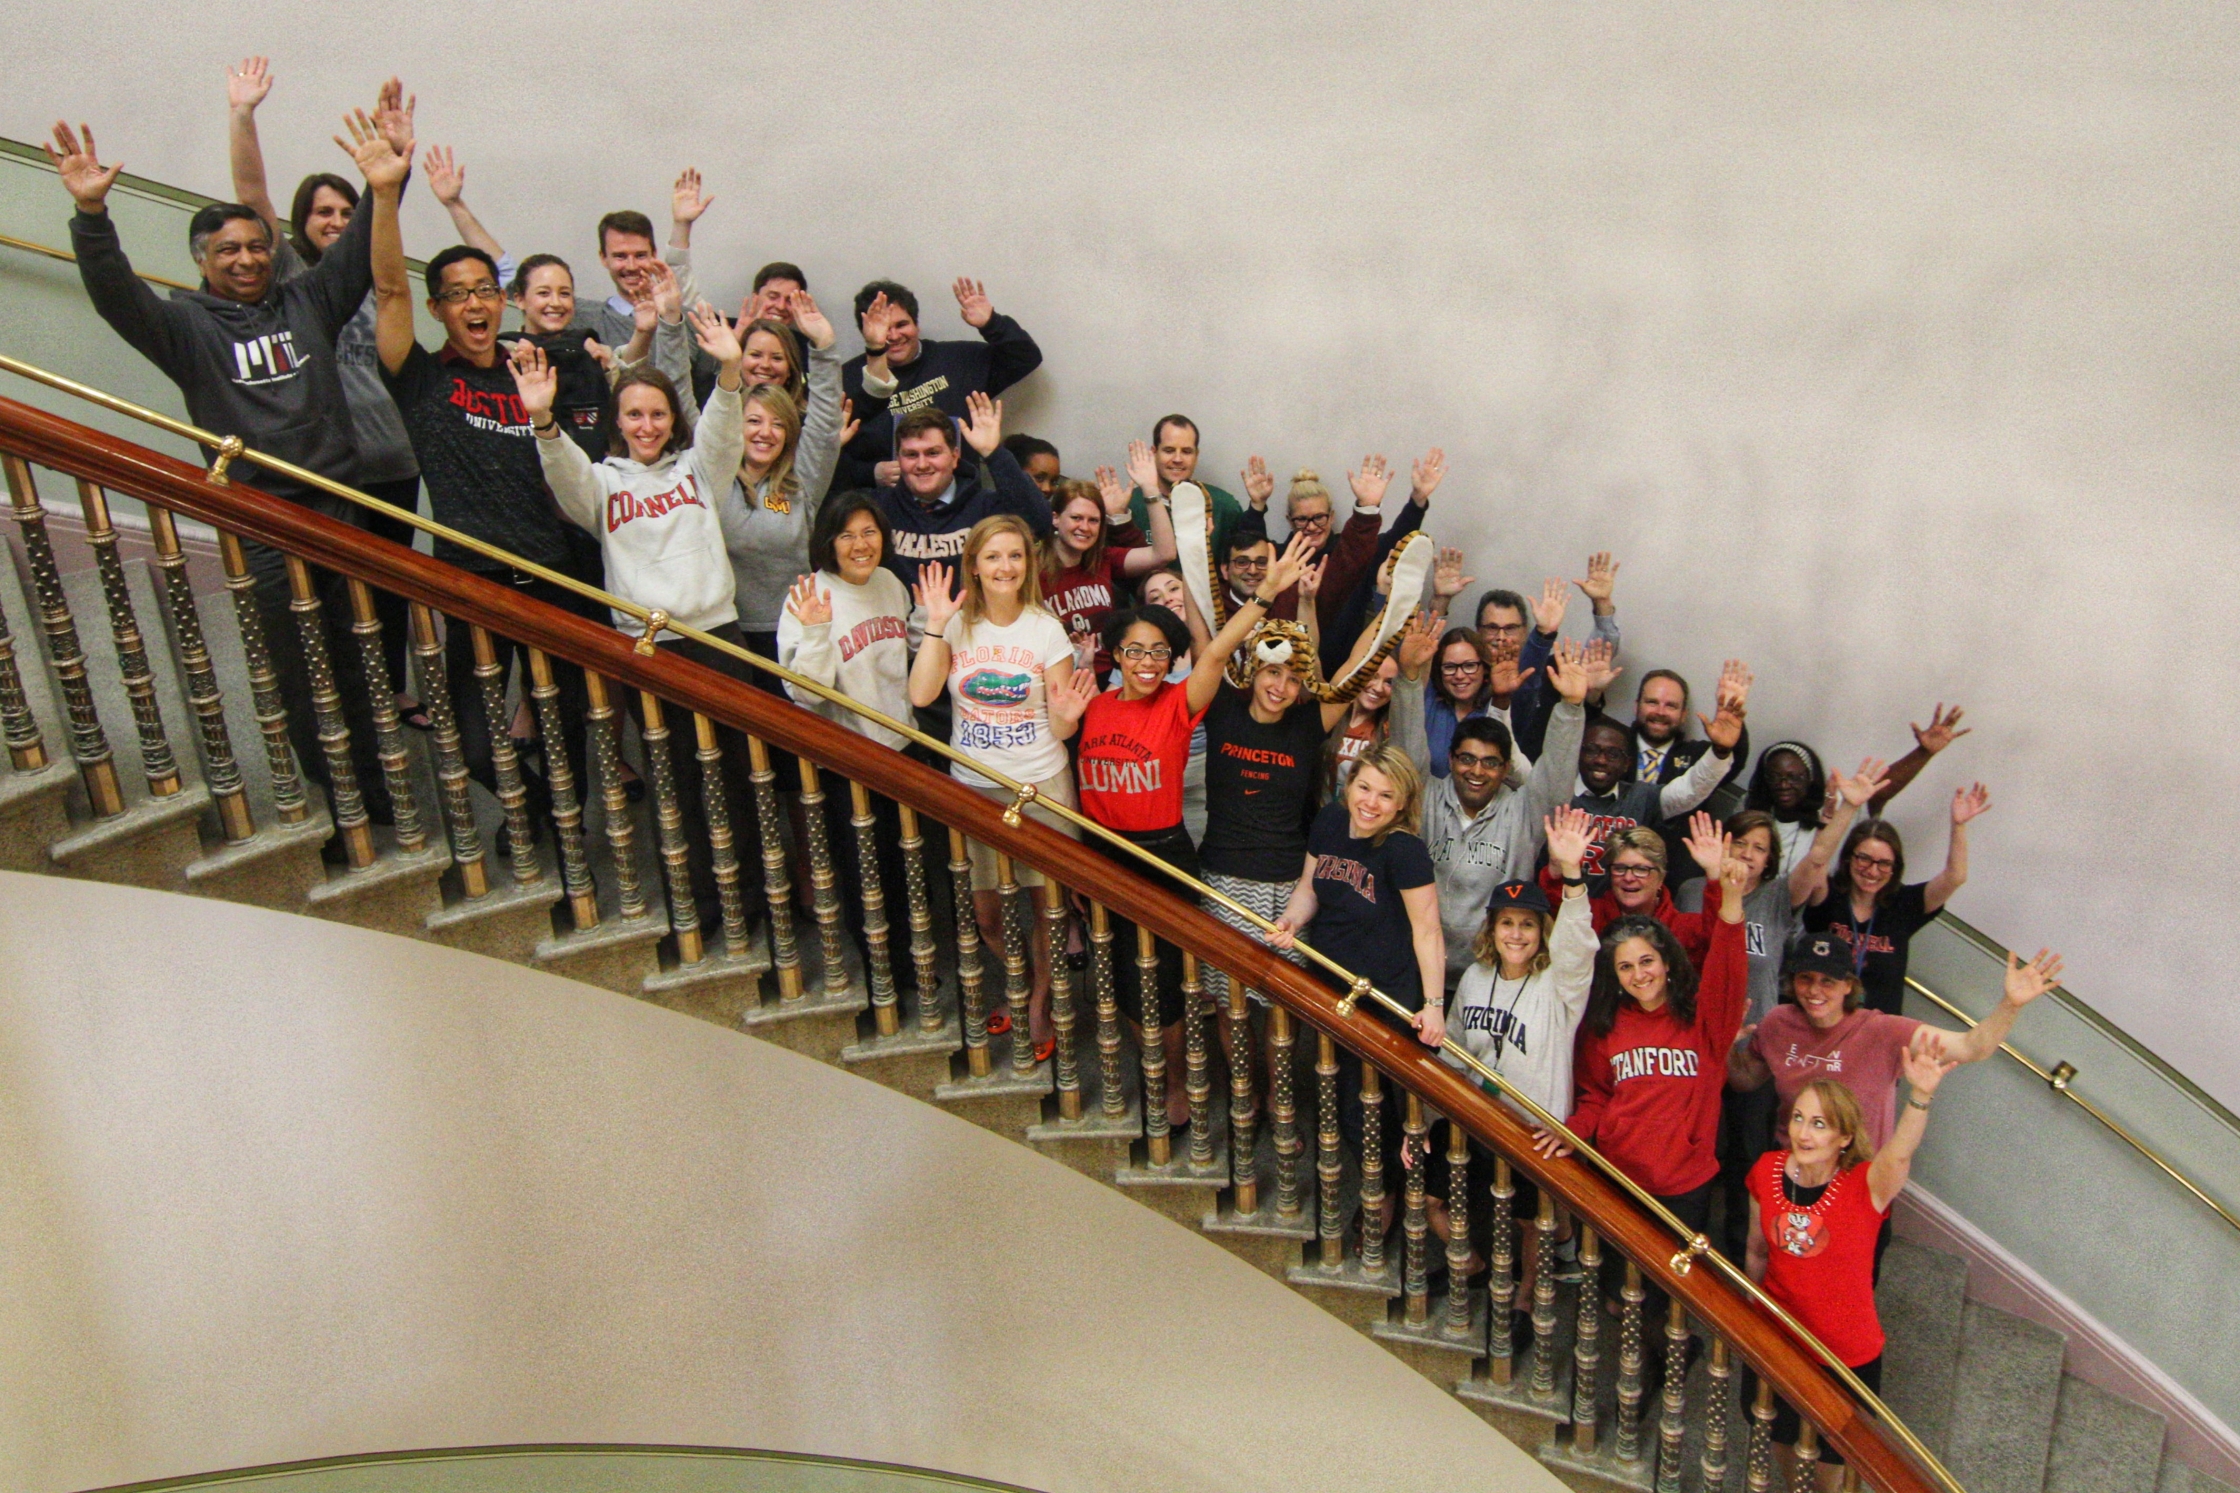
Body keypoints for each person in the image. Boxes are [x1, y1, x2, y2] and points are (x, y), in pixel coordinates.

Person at [53, 104, 405, 832]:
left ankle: (385, 802)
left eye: (256, 245)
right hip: (262, 527)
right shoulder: (186, 328)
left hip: (343, 512)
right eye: (228, 250)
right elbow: (117, 295)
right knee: (302, 681)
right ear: (202, 261)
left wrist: (383, 187)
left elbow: (353, 252)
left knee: (362, 670)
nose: (246, 259)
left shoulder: (307, 299)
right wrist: (91, 213)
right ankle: (345, 816)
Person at [224, 60, 509, 717]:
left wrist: (398, 164)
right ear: (302, 223)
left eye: (344, 210)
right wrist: (243, 115)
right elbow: (251, 196)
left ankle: (391, 687)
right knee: (328, 590)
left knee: (387, 588)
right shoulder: (297, 279)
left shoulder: (369, 271)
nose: (334, 219)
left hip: (396, 464)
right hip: (333, 470)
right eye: (322, 211)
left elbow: (382, 233)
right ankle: (339, 691)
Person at [512, 303, 753, 930]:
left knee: (736, 782)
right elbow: (565, 476)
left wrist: (729, 374)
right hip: (649, 652)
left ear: (673, 419)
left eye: (657, 413)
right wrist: (542, 417)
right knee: (675, 791)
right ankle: (696, 909)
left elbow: (724, 433)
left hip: (718, 639)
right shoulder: (601, 483)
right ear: (618, 423)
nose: (647, 425)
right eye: (634, 415)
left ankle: (750, 906)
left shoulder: (700, 470)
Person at [1062, 536, 1317, 1126]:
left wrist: (1266, 596)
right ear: (1116, 655)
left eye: (1158, 652)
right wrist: (1077, 858)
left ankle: (1179, 1079)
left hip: (1166, 855)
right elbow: (1069, 776)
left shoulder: (1179, 702)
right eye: (1134, 651)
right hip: (1103, 855)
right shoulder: (1093, 707)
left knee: (1174, 981)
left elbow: (1214, 654)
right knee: (1125, 978)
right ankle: (1158, 1073)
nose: (1147, 662)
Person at [1744, 1040, 1959, 1487]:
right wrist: (1748, 1313)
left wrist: (1920, 1097)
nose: (1804, 1133)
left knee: (1831, 1463)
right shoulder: (1767, 1170)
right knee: (1781, 1441)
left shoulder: (1866, 1186)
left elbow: (1898, 1153)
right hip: (1780, 1341)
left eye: (1820, 1124)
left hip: (1843, 1354)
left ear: (1844, 1138)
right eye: (1800, 1118)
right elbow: (1757, 1251)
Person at [908, 515, 1082, 1058]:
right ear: (975, 567)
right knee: (986, 913)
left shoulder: (1045, 629)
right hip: (975, 788)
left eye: (1015, 556)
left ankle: (1037, 1002)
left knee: (1048, 908)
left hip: (1041, 787)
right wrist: (936, 624)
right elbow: (921, 695)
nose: (1005, 567)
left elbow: (1058, 723)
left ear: (1028, 565)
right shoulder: (955, 625)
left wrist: (1070, 719)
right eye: (993, 557)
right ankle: (1020, 979)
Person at [1443, 804, 1600, 1321]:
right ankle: (1478, 1266)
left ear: (1542, 929)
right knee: (1431, 1192)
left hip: (1534, 1128)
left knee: (1534, 1222)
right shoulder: (1473, 978)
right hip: (1481, 1118)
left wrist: (1572, 877)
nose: (1516, 934)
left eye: (1527, 925)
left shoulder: (1560, 983)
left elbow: (1578, 946)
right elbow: (1454, 1051)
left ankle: (1529, 1293)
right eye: (1506, 923)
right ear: (1492, 928)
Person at [1392, 619, 1599, 981]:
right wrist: (1409, 678)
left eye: (1491, 763)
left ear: (1505, 769)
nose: (1477, 771)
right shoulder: (1427, 795)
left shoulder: (1524, 811)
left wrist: (1570, 706)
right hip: (1418, 964)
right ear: (1452, 760)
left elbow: (1555, 776)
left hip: (1491, 974)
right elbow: (1407, 747)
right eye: (1467, 759)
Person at [1566, 843, 1751, 1236]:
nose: (1639, 975)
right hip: (1617, 1176)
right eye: (1625, 967)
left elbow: (1728, 970)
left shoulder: (1706, 1022)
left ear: (1667, 962)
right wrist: (1570, 1132)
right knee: (1614, 1288)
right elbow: (1596, 1095)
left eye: (1647, 961)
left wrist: (1730, 902)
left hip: (1684, 1181)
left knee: (1669, 1289)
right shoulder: (1604, 1026)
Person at [778, 492, 918, 962]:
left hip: (901, 748)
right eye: (847, 535)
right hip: (848, 761)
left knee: (907, 866)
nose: (860, 545)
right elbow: (805, 694)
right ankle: (886, 972)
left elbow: (912, 645)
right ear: (828, 542)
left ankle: (913, 962)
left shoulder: (890, 582)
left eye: (869, 532)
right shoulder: (808, 596)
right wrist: (816, 632)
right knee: (866, 875)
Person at [1265, 743, 1446, 1046]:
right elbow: (1310, 886)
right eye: (1364, 788)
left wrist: (1434, 1006)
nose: (1371, 803)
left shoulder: (1406, 851)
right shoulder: (1330, 820)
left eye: (1386, 795)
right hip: (1331, 979)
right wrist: (1291, 920)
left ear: (1402, 803)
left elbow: (1428, 931)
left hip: (1384, 993)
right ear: (1349, 786)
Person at [717, 289, 844, 665]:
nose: (764, 432)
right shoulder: (711, 474)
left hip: (792, 629)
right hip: (722, 630)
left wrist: (824, 346)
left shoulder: (801, 481)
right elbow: (679, 392)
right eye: (753, 421)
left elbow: (823, 422)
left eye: (776, 424)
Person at [1800, 784, 1991, 1016]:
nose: (1872, 871)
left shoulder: (1904, 904)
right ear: (1849, 858)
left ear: (1895, 868)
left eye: (1884, 863)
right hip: (1816, 1022)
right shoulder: (1828, 893)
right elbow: (1816, 860)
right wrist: (1839, 812)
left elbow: (1955, 877)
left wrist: (1958, 826)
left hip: (1876, 1034)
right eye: (1864, 859)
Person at [839, 278, 1043, 491]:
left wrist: (991, 323)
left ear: (916, 324)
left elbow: (1025, 358)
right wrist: (870, 473)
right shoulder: (848, 380)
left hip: (962, 501)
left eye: (902, 325)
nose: (894, 336)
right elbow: (824, 454)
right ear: (866, 331)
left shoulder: (958, 360)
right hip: (884, 506)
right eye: (883, 329)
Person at [1569, 660, 1750, 886]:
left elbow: (1721, 768)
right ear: (1636, 706)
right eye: (1652, 702)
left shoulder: (1699, 754)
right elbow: (1582, 736)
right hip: (1603, 876)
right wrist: (1592, 697)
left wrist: (1724, 745)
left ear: (1684, 714)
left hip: (1673, 880)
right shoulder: (1613, 744)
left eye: (1671, 705)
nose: (1660, 712)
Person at [1743, 703, 1967, 874]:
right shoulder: (1748, 808)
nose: (1783, 785)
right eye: (1774, 777)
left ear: (1811, 778)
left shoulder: (1832, 807)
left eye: (1794, 777)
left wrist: (1923, 753)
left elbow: (1878, 791)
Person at [874, 397, 1054, 599]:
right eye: (911, 455)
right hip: (899, 627)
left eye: (933, 453)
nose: (922, 464)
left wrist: (994, 453)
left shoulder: (984, 507)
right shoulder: (878, 509)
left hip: (970, 624)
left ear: (954, 456)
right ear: (898, 458)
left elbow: (1038, 523)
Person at [1041, 452, 1175, 677]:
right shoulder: (1032, 568)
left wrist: (1151, 490)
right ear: (1056, 518)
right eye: (1076, 518)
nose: (1085, 527)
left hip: (1113, 675)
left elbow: (1165, 553)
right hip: (1062, 677)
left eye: (1093, 520)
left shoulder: (1104, 559)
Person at [1123, 415, 1249, 570]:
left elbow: (1242, 565)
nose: (1177, 459)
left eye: (1186, 451)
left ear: (1196, 455)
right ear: (1154, 453)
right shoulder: (1130, 505)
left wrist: (1258, 506)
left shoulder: (1223, 505)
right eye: (1169, 450)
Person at [1141, 570, 1209, 845]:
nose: (1168, 599)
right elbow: (1113, 710)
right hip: (1159, 774)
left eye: (1173, 589)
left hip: (1207, 769)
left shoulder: (1209, 645)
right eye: (1156, 597)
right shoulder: (1138, 656)